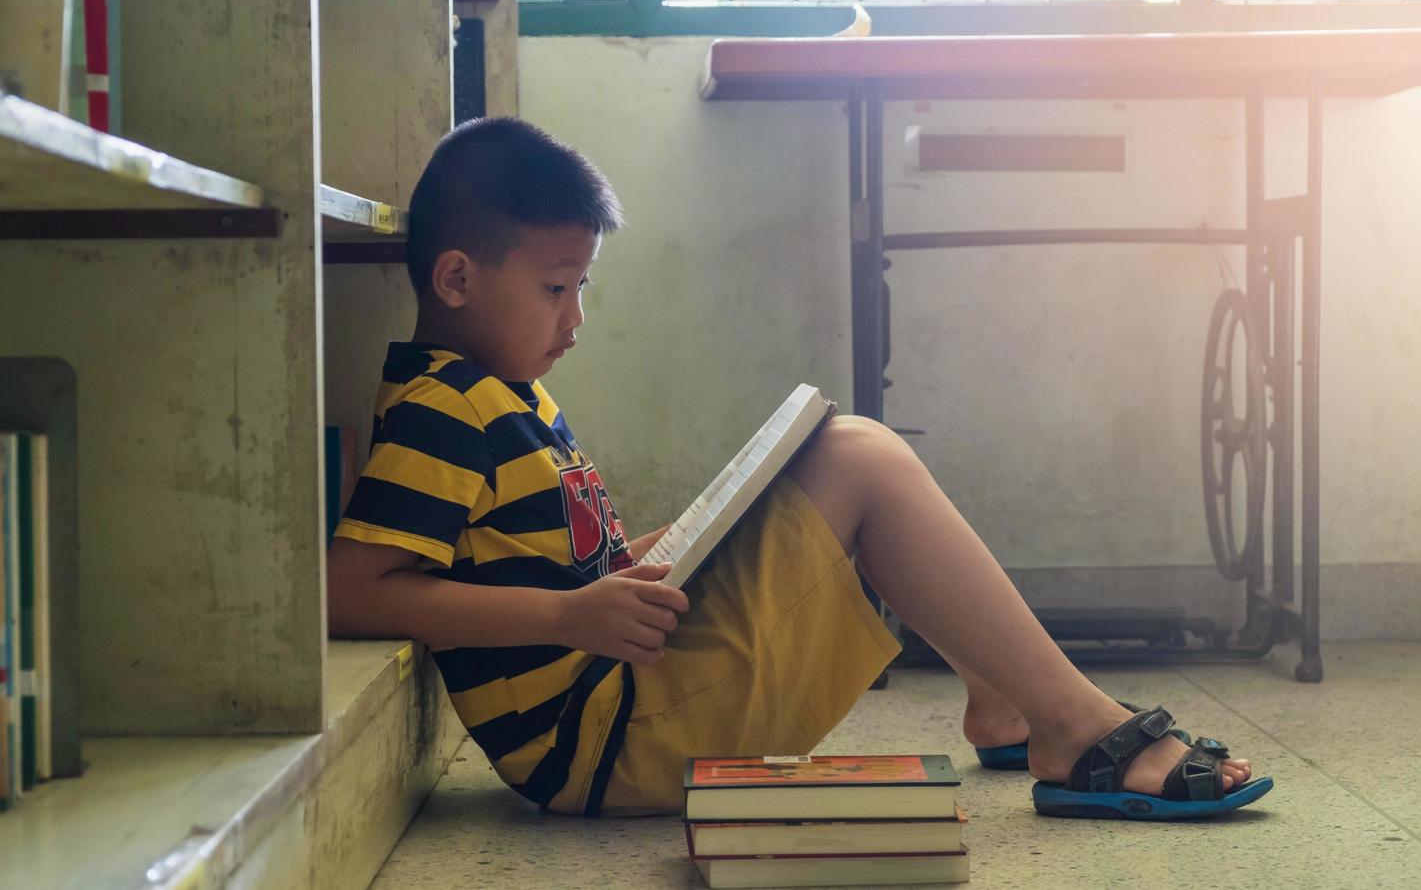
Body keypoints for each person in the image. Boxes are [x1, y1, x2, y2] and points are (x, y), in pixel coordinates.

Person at [326, 117, 1270, 821]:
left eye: (583, 289)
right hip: (602, 740)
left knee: (829, 455)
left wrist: (707, 526)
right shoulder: (441, 409)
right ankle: (1068, 723)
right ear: (456, 280)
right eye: (554, 290)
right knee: (860, 456)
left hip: (615, 697)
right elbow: (352, 593)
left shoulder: (502, 391)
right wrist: (569, 614)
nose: (576, 320)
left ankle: (1006, 698)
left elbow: (573, 566)